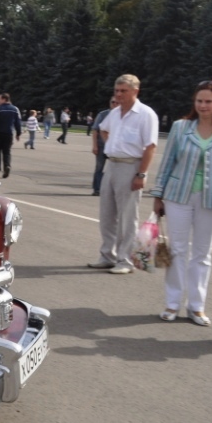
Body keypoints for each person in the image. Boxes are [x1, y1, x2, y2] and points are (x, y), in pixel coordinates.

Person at [151, 80, 212, 325]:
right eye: (199, 101)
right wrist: (158, 195)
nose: (203, 106)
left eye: (208, 101)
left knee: (202, 254)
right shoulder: (181, 127)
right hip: (178, 196)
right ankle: (172, 303)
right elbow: (167, 163)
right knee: (177, 250)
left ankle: (196, 306)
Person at [88, 74, 160, 275]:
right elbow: (103, 130)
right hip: (112, 165)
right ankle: (107, 256)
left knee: (127, 217)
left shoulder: (146, 114)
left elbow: (150, 147)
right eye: (116, 91)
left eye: (123, 91)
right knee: (107, 215)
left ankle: (125, 260)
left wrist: (141, 174)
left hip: (131, 166)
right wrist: (112, 144)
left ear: (135, 91)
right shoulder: (115, 113)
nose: (118, 94)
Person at [0, 93, 21, 178]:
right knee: (7, 152)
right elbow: (17, 122)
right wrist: (18, 133)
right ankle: (7, 166)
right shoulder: (15, 109)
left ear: (4, 99)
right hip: (9, 134)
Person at [91, 98, 117, 196]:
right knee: (99, 168)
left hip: (115, 148)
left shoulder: (123, 115)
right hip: (102, 146)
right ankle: (97, 189)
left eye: (117, 102)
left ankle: (110, 189)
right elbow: (95, 130)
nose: (114, 104)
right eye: (112, 102)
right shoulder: (103, 114)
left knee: (115, 169)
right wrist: (95, 145)